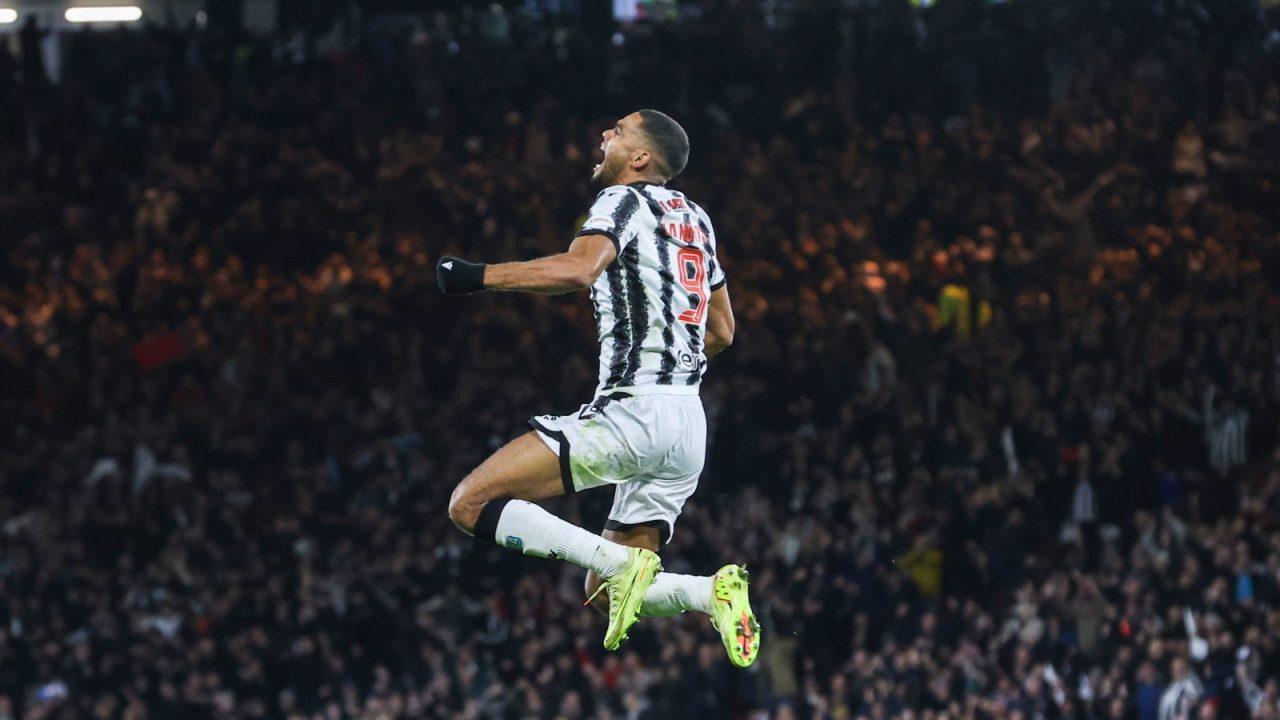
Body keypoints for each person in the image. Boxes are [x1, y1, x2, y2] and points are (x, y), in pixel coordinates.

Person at [436, 109, 760, 666]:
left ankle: (622, 563)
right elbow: (724, 331)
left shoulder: (623, 200)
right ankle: (710, 593)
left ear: (640, 158)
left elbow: (579, 270)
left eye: (618, 130)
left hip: (636, 412)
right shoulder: (697, 219)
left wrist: (477, 276)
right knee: (605, 590)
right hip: (688, 424)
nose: (604, 134)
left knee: (470, 503)